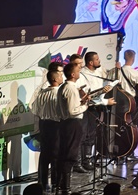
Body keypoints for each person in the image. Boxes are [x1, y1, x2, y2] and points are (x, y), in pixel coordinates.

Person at [108, 49, 138, 159]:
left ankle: (116, 148)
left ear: (124, 57)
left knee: (117, 124)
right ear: (133, 59)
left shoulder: (116, 71)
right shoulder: (134, 73)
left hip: (116, 101)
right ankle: (129, 151)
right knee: (131, 125)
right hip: (130, 102)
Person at [57, 61, 89, 195]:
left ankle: (61, 185)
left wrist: (82, 102)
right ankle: (65, 187)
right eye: (78, 70)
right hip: (72, 123)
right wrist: (85, 106)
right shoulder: (71, 89)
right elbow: (72, 111)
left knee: (66, 154)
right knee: (69, 155)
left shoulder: (64, 87)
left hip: (66, 123)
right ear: (72, 74)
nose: (79, 72)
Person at [32, 68, 65, 193]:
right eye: (60, 75)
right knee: (56, 155)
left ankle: (43, 182)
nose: (62, 77)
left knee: (45, 155)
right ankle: (55, 183)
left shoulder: (42, 94)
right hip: (56, 126)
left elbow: (35, 110)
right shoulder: (59, 93)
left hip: (44, 125)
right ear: (55, 79)